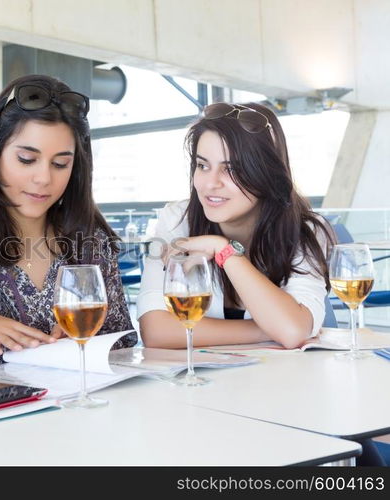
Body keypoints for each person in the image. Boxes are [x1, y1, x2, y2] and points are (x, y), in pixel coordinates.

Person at [0, 74, 136, 375]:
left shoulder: (91, 245)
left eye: (60, 164)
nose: (44, 178)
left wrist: (81, 345)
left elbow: (124, 350)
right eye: (26, 159)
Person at [137, 102, 334, 350]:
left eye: (231, 169)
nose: (211, 184)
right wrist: (269, 329)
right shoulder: (178, 220)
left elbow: (293, 331)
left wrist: (225, 251)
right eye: (203, 166)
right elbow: (157, 331)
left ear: (266, 174)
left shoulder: (305, 231)